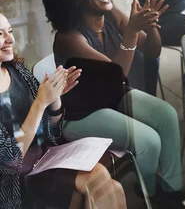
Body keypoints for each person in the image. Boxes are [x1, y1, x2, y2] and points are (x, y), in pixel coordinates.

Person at [42, 0, 185, 207]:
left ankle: (172, 191)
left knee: (167, 114)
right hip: (80, 115)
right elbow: (117, 74)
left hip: (112, 98)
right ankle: (149, 196)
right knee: (148, 141)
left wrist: (150, 25)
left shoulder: (112, 16)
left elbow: (153, 51)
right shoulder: (69, 38)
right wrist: (131, 31)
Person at [0, 13, 126, 209]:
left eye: (10, 31)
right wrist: (40, 102)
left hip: (44, 159)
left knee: (112, 187)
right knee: (105, 185)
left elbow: (53, 131)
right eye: (0, 34)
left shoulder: (17, 71)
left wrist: (55, 99)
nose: (10, 39)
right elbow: (10, 161)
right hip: (15, 183)